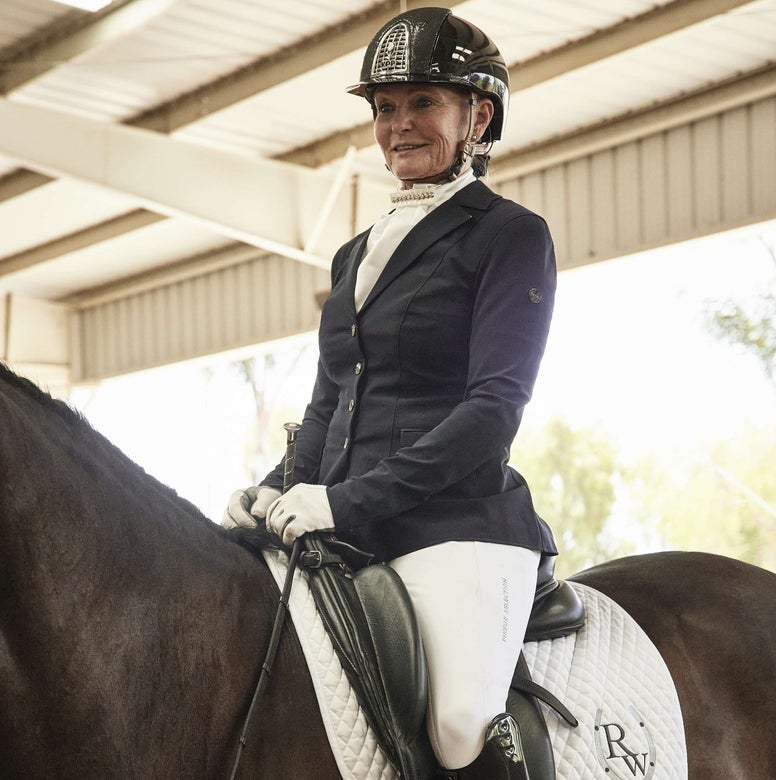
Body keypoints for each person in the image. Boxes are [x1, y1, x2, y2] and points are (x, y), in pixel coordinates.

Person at [224, 7, 557, 778]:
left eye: (422, 104)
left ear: (480, 115)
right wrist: (274, 490)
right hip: (345, 530)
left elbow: (493, 412)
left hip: (458, 528)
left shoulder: (509, 235)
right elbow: (328, 405)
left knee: (458, 725)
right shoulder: (351, 257)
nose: (398, 126)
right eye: (384, 108)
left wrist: (344, 500)